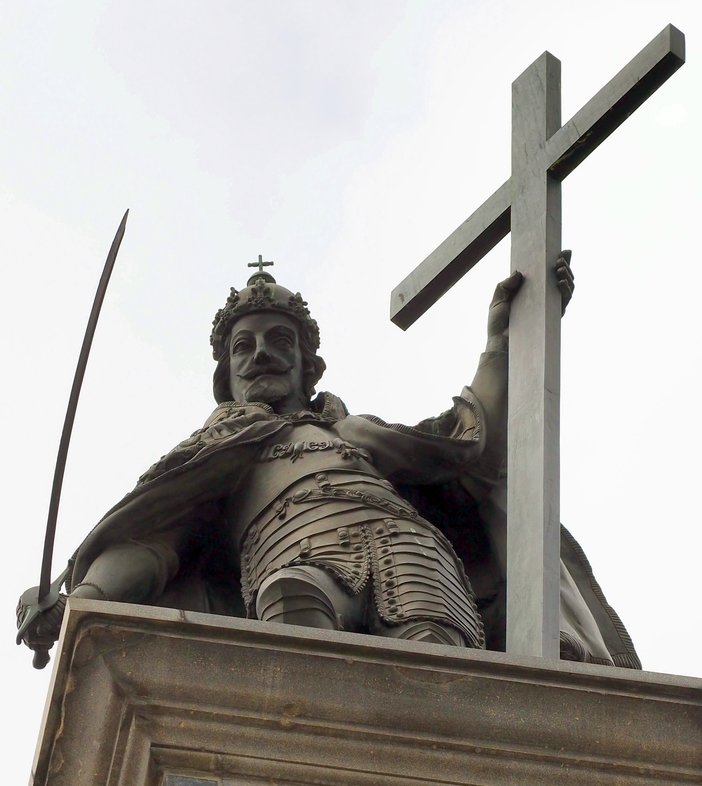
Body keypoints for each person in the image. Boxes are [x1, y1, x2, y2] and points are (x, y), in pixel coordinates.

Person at [18, 260, 641, 668]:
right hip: (293, 553)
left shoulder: (354, 431)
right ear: (226, 374)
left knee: (440, 669)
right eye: (245, 345)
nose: (262, 353)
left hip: (411, 550)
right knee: (295, 617)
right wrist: (80, 597)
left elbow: (467, 440)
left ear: (307, 364)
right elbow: (153, 542)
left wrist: (504, 340)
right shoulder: (219, 453)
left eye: (279, 340)